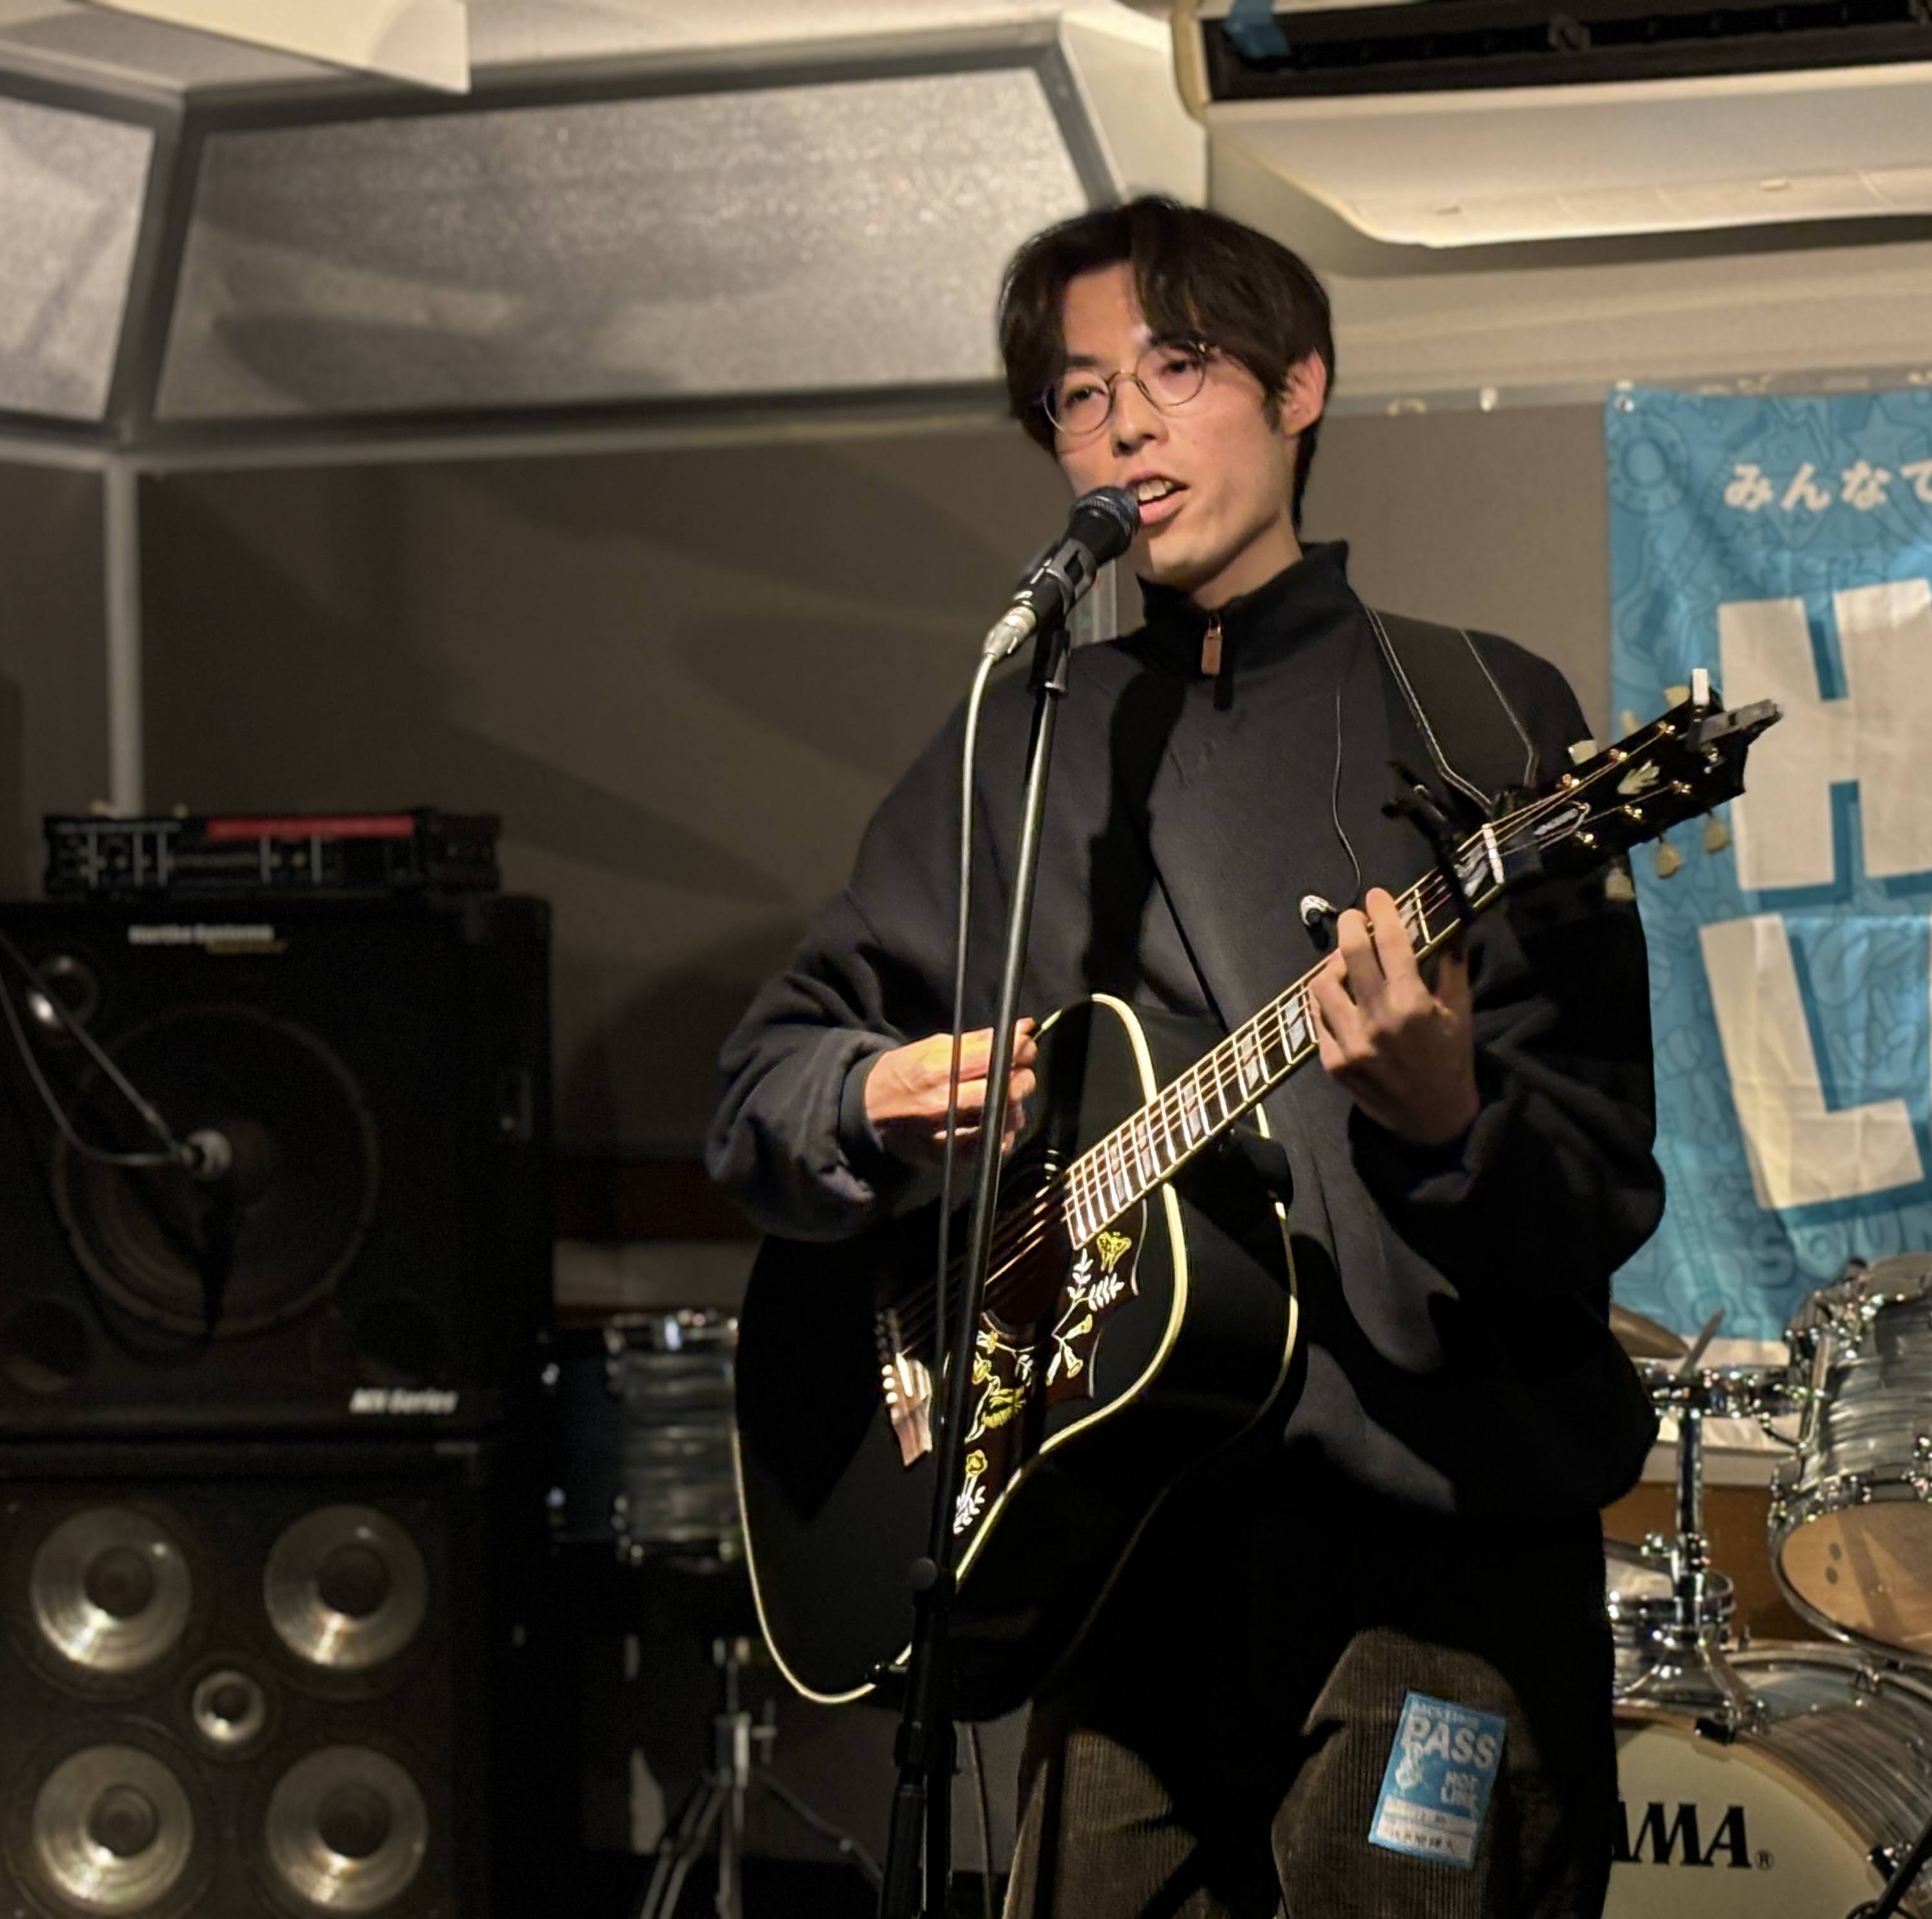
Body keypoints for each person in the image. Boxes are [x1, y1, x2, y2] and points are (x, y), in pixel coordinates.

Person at [708, 196, 1662, 1918]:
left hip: (1435, 1566)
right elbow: (762, 1087)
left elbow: (1599, 1183)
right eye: (1082, 395)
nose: (1127, 427)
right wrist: (870, 1095)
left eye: (1179, 368)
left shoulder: (1479, 711)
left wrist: (1448, 1123)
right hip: (1126, 1562)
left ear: (1300, 389)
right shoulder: (1024, 745)